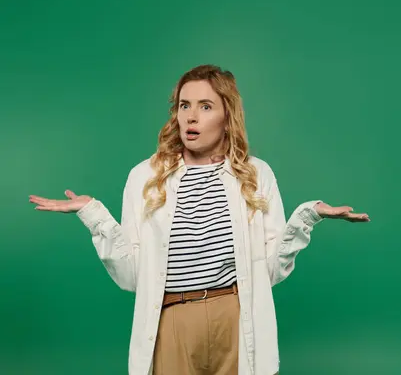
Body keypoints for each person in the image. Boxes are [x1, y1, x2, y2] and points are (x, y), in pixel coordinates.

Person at [28, 64, 370, 375]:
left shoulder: (255, 174)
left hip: (236, 317)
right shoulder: (145, 177)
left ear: (227, 115)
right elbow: (133, 277)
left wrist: (307, 217)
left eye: (205, 106)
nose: (191, 116)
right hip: (173, 320)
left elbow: (269, 271)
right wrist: (94, 216)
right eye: (184, 105)